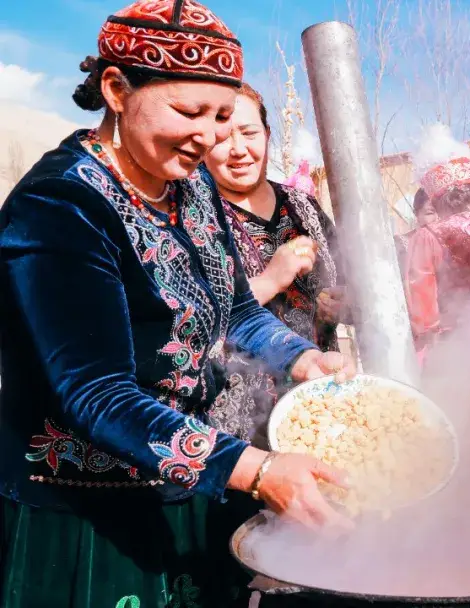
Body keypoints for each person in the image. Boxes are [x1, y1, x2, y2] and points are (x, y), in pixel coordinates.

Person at [0, 2, 355, 606]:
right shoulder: (61, 207)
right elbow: (96, 394)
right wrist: (258, 470)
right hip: (87, 512)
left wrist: (300, 358)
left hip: (185, 485)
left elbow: (236, 309)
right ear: (117, 89)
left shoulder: (191, 189)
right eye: (190, 112)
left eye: (222, 115)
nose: (210, 137)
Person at [204, 83, 349, 448]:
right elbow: (195, 314)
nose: (238, 149)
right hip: (239, 428)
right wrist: (270, 280)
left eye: (249, 133)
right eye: (222, 137)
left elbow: (345, 280)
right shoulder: (196, 215)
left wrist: (343, 305)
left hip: (317, 407)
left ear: (267, 134)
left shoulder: (303, 206)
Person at [405, 124, 470, 365]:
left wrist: (427, 335)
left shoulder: (427, 236)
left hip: (450, 340)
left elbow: (421, 292)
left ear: (437, 201)